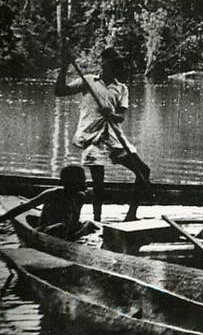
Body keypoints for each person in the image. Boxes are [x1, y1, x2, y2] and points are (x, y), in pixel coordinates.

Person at [56, 47, 150, 222]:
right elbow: (60, 91)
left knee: (143, 171)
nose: (113, 66)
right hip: (92, 137)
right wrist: (64, 67)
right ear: (103, 63)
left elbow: (120, 117)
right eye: (109, 62)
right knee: (98, 183)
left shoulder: (121, 88)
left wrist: (111, 114)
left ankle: (131, 216)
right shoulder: (88, 81)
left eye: (116, 64)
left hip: (114, 138)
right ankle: (97, 221)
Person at [0, 165, 99, 240]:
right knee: (61, 227)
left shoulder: (80, 197)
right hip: (47, 230)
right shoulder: (52, 194)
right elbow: (23, 208)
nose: (85, 182)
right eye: (82, 179)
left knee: (90, 224)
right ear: (70, 182)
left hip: (68, 232)